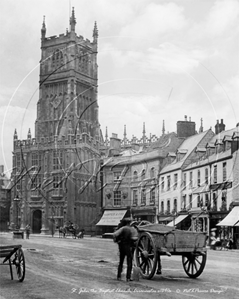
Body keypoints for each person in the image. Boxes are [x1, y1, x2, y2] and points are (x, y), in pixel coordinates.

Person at [113, 218, 138, 282]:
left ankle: (119, 276)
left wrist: (117, 240)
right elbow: (135, 238)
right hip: (129, 247)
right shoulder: (133, 229)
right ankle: (128, 277)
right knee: (129, 262)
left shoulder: (123, 228)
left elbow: (115, 234)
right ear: (130, 223)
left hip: (122, 246)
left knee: (121, 261)